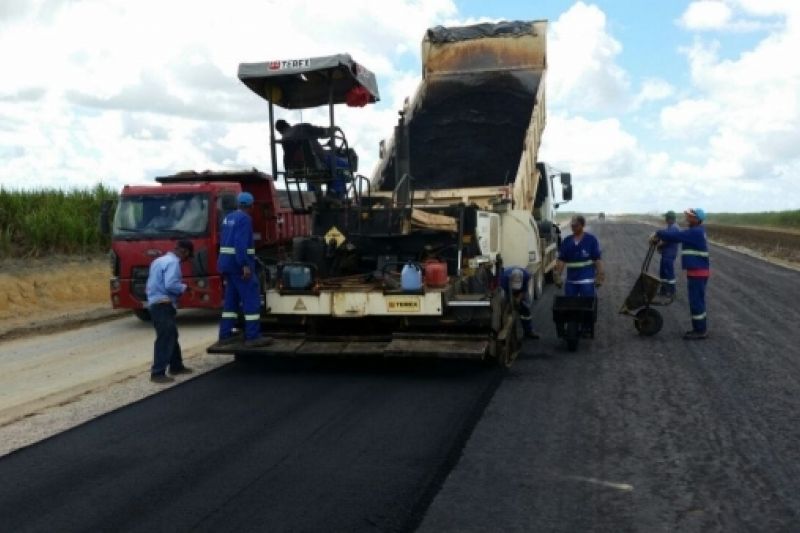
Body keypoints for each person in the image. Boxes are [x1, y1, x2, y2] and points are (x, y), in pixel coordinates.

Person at [217, 192, 272, 347]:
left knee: (231, 301)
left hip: (226, 265)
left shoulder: (228, 218)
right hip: (238, 266)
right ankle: (253, 336)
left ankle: (225, 335)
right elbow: (240, 243)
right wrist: (245, 265)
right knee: (251, 299)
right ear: (251, 206)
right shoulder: (245, 219)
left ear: (238, 204)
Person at [651, 207, 710, 340]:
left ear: (697, 219)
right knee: (697, 301)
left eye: (690, 216)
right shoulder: (696, 231)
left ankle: (700, 330)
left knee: (696, 302)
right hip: (697, 272)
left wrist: (658, 233)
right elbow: (676, 237)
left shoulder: (695, 232)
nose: (687, 218)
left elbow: (675, 236)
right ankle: (700, 328)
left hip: (698, 273)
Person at [145, 240, 195, 383]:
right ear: (184, 251)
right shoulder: (173, 263)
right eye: (187, 256)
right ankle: (157, 372)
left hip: (155, 302)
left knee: (172, 334)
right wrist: (185, 288)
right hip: (163, 303)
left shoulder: (158, 261)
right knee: (165, 337)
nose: (185, 260)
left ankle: (176, 366)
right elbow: (171, 284)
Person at [275, 119, 348, 199]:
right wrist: (334, 129)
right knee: (344, 165)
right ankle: (334, 193)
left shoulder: (284, 139)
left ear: (279, 131)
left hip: (296, 167)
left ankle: (314, 194)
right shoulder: (302, 128)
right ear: (288, 124)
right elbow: (323, 132)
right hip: (318, 159)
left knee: (311, 170)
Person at [553, 215, 605, 297]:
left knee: (587, 303)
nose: (573, 228)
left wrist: (600, 275)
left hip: (586, 282)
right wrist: (557, 275)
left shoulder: (591, 240)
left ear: (582, 225)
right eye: (572, 226)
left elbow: (597, 259)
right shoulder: (567, 241)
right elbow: (561, 260)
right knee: (570, 303)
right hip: (571, 281)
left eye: (576, 226)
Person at [500, 267, 540, 339]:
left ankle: (528, 331)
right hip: (508, 290)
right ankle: (506, 331)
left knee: (525, 309)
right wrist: (512, 300)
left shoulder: (526, 276)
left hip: (520, 290)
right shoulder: (504, 278)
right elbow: (505, 291)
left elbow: (524, 290)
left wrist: (518, 299)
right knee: (506, 308)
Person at [657, 210, 680, 301]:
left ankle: (671, 291)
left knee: (668, 272)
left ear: (671, 219)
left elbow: (667, 239)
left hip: (670, 254)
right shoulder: (670, 227)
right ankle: (663, 290)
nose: (665, 219)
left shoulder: (674, 228)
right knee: (663, 272)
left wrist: (659, 244)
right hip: (666, 253)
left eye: (667, 218)